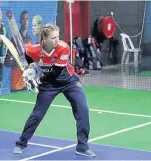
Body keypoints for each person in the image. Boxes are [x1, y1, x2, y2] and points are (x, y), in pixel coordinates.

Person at [13, 23, 96, 157]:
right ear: (44, 40)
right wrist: (31, 67)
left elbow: (56, 72)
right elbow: (27, 53)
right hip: (48, 86)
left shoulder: (63, 48)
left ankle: (82, 146)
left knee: (83, 109)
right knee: (37, 114)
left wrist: (37, 78)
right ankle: (21, 143)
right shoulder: (34, 49)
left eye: (58, 36)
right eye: (53, 38)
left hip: (69, 81)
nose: (57, 40)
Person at [4, 10, 32, 92]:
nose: (26, 21)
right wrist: (19, 63)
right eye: (23, 19)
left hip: (27, 83)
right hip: (16, 84)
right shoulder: (14, 40)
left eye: (27, 19)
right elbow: (6, 62)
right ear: (20, 21)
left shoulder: (29, 39)